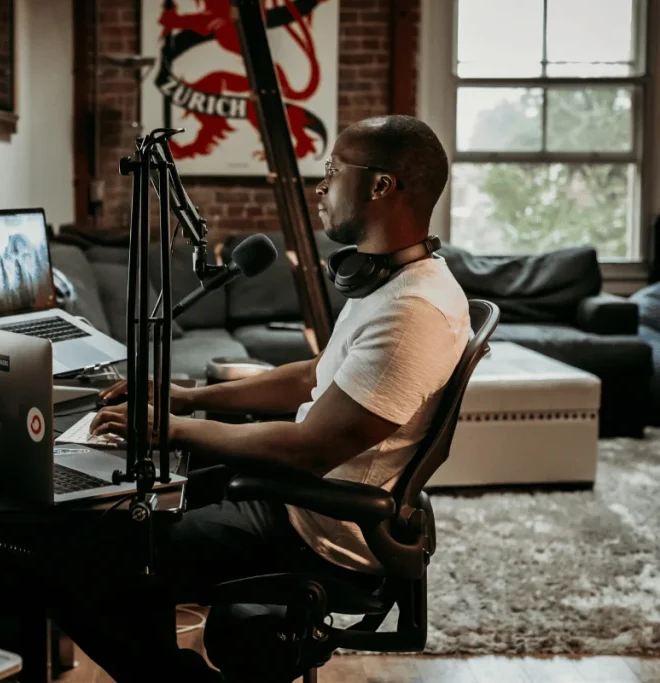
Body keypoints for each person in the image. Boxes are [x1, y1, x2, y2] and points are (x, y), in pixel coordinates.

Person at [48, 115, 471, 682]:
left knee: (79, 561)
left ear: (380, 186)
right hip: (297, 499)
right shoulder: (391, 280)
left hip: (314, 529)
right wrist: (187, 398)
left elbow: (310, 449)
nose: (320, 187)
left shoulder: (411, 312)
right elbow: (313, 375)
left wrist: (168, 428)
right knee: (119, 513)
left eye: (333, 171)